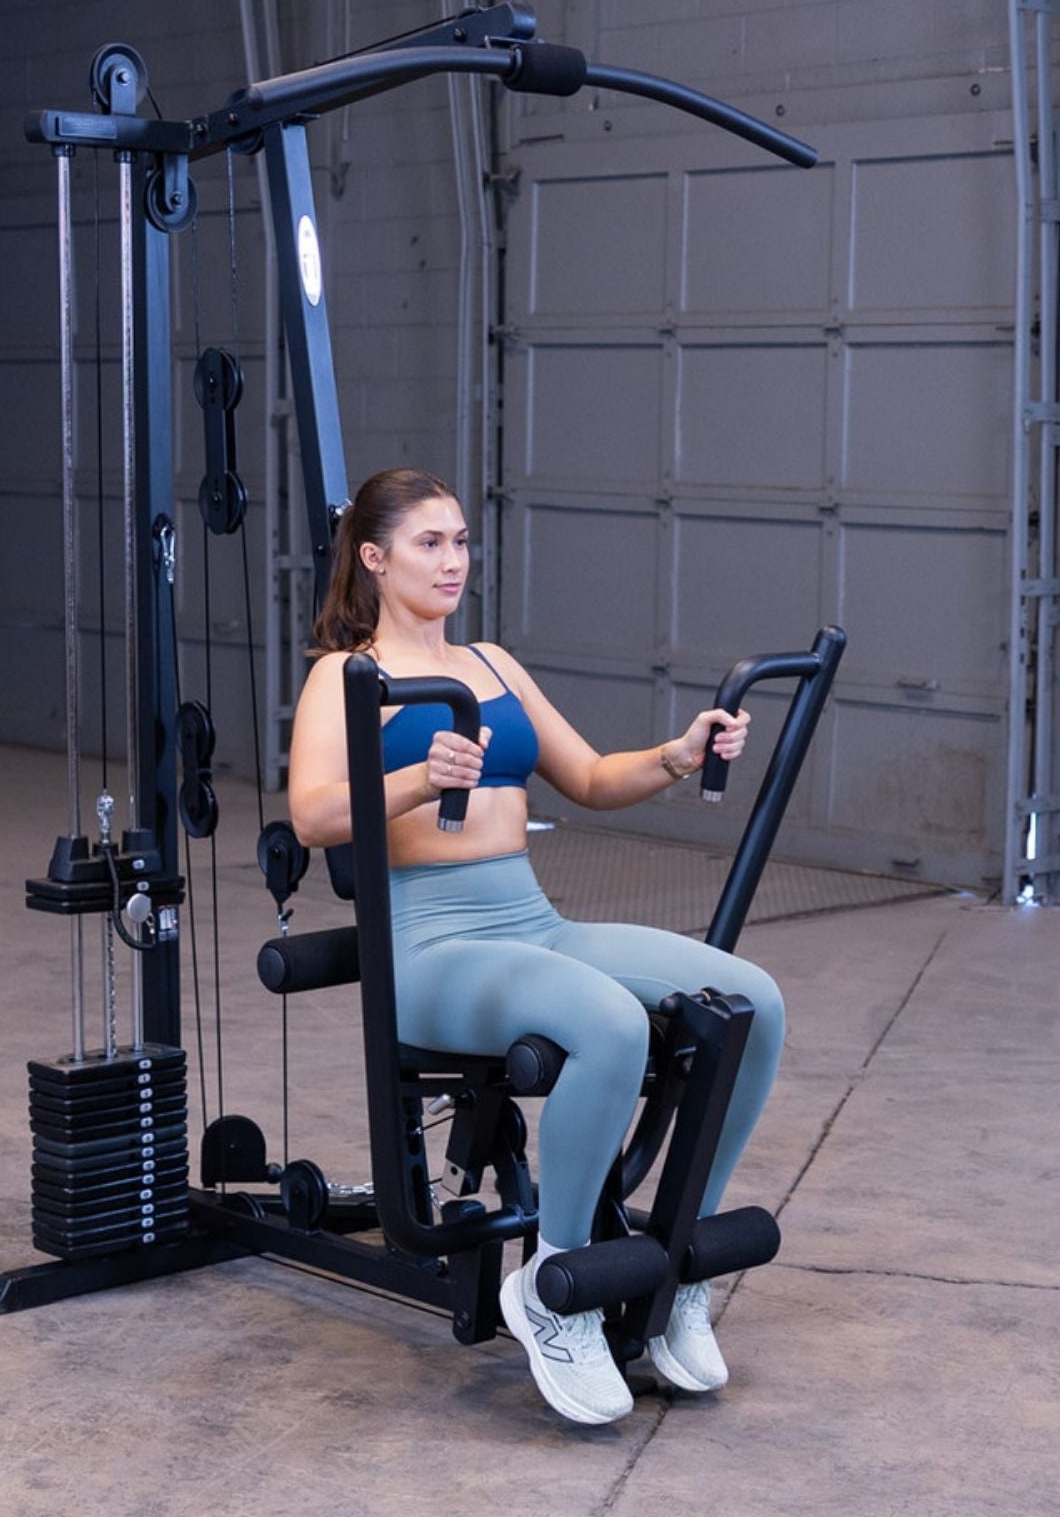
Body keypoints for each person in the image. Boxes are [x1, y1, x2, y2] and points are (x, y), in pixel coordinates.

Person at [287, 467, 784, 1426]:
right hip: (428, 949)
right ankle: (557, 1289)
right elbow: (312, 817)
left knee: (752, 1000)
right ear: (375, 558)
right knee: (607, 1021)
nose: (453, 561)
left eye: (462, 540)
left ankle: (677, 1258)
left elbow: (592, 777)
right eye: (429, 543)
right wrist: (415, 780)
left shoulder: (494, 664)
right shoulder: (345, 679)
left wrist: (679, 754)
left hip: (530, 921)